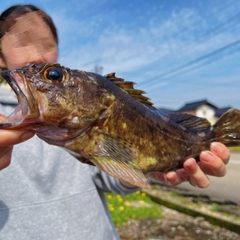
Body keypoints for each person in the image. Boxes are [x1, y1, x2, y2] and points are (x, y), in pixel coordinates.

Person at [0, 4, 230, 240]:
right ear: (0, 57)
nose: (37, 56)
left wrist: (142, 171)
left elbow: (109, 181)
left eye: (47, 47)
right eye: (23, 42)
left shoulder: (85, 113)